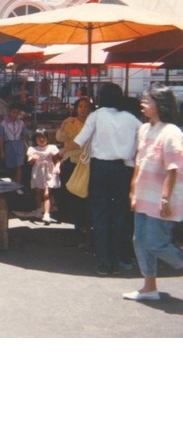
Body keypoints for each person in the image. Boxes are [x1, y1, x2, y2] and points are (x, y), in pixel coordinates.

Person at [63, 82, 142, 276]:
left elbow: (79, 141)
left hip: (100, 169)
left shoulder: (96, 116)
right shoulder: (131, 119)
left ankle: (103, 262)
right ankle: (117, 261)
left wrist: (62, 150)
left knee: (100, 215)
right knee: (119, 216)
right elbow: (144, 141)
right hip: (123, 170)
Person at [124, 84, 183, 301]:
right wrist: (133, 191)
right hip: (143, 195)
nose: (142, 103)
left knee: (155, 243)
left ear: (160, 105)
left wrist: (165, 198)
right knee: (140, 240)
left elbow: (173, 168)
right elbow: (139, 162)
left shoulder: (171, 132)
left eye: (147, 100)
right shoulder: (144, 129)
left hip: (162, 197)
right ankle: (149, 287)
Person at [55, 97, 92, 236]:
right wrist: (64, 124)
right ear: (76, 109)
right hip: (72, 161)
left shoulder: (92, 123)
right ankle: (76, 221)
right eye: (81, 106)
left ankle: (82, 222)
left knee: (83, 194)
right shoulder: (71, 122)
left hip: (86, 162)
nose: (83, 109)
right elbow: (60, 138)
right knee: (72, 192)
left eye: (86, 106)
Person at [27, 128, 61, 223]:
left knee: (46, 194)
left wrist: (57, 167)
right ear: (35, 139)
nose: (41, 140)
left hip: (48, 172)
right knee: (38, 192)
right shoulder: (32, 149)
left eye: (43, 137)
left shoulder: (52, 148)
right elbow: (29, 162)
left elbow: (58, 159)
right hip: (38, 172)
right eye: (39, 138)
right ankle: (38, 210)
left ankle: (46, 214)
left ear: (47, 138)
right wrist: (32, 158)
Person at [0, 103, 28, 194]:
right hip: (9, 145)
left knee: (19, 165)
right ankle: (11, 184)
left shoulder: (21, 123)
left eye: (17, 113)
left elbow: (25, 135)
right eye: (13, 112)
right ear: (10, 112)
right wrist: (2, 150)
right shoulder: (4, 123)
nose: (15, 114)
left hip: (19, 145)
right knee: (10, 166)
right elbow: (1, 137)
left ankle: (18, 185)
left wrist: (27, 147)